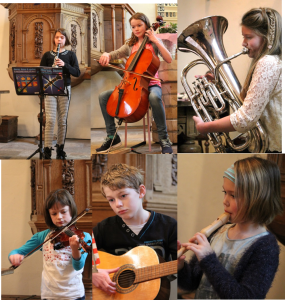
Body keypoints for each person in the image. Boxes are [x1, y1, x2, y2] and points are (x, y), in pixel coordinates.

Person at [177, 156, 283, 299]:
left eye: (233, 195)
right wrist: (181, 266)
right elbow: (191, 284)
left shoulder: (266, 248)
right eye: (224, 192)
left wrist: (208, 259)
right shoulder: (217, 231)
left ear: (258, 199)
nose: (224, 201)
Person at [193, 8, 282, 152]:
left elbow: (246, 118)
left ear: (266, 38)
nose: (243, 43)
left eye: (248, 37)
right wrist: (220, 83)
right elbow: (253, 101)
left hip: (271, 148)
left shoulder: (267, 62)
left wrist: (205, 127)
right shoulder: (273, 61)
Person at [92, 163, 177, 295]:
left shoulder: (168, 226)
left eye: (123, 196)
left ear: (141, 191)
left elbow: (182, 266)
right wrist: (94, 273)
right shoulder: (103, 228)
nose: (118, 204)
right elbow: (79, 258)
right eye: (111, 200)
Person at [96, 12, 173, 154]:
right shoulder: (129, 45)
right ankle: (112, 135)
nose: (136, 29)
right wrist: (106, 54)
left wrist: (156, 40)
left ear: (146, 25)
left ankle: (164, 139)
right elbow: (115, 54)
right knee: (103, 96)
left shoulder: (154, 43)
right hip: (130, 84)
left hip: (152, 84)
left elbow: (168, 59)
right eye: (133, 27)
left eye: (139, 25)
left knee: (154, 97)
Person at [9, 189, 91, 300]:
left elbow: (78, 266)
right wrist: (14, 256)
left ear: (72, 210)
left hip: (73, 295)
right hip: (49, 295)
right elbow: (17, 252)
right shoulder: (43, 237)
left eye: (63, 212)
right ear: (49, 215)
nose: (59, 217)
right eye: (54, 213)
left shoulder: (84, 237)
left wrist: (75, 249)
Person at [40, 28, 80, 159]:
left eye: (62, 37)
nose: (59, 40)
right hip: (50, 88)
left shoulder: (70, 55)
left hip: (65, 88)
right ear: (54, 39)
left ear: (66, 39)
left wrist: (64, 65)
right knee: (50, 120)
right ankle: (46, 149)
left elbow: (77, 72)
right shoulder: (47, 55)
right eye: (57, 37)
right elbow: (41, 73)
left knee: (62, 120)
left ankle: (60, 148)